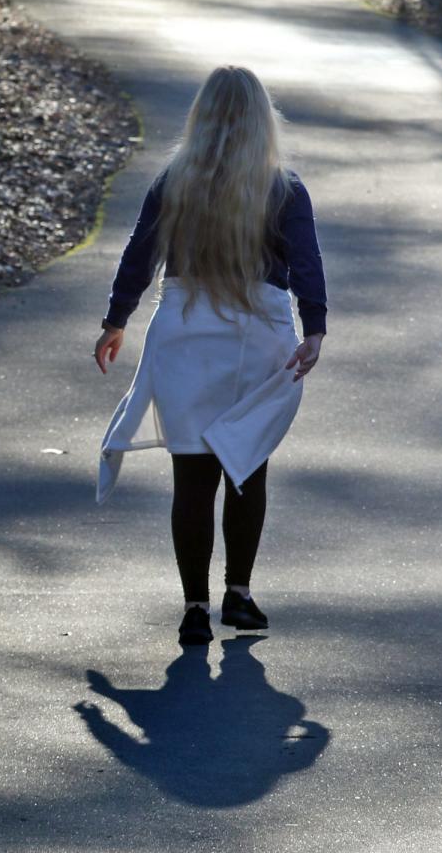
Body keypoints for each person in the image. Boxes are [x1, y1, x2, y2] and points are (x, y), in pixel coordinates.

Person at [93, 66, 326, 647]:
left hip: (185, 332)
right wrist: (315, 327)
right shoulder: (282, 187)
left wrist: (116, 319)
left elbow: (139, 254)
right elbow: (307, 263)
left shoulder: (175, 180)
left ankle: (195, 608)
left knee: (191, 477)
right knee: (246, 467)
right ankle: (239, 597)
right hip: (258, 337)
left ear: (201, 115)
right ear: (260, 119)